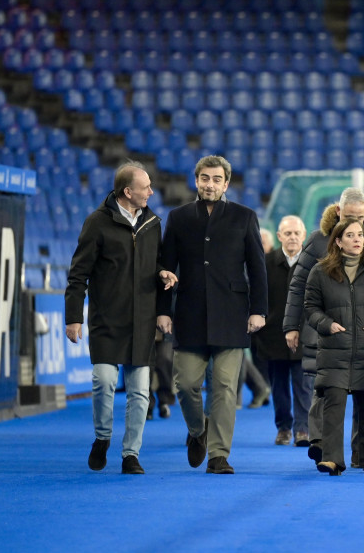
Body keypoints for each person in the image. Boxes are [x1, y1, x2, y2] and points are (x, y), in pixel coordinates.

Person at [157, 155, 268, 475]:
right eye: (205, 178)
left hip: (232, 315)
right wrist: (163, 312)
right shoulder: (178, 218)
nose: (210, 184)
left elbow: (257, 268)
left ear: (226, 184)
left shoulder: (244, 217)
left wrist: (259, 310)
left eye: (216, 179)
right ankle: (197, 431)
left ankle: (219, 454)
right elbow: (166, 269)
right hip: (188, 314)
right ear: (196, 180)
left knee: (224, 387)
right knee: (186, 384)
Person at [65, 161, 177, 474]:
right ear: (128, 192)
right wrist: (73, 317)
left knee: (141, 392)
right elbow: (78, 274)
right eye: (146, 188)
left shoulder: (153, 222)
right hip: (106, 321)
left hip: (142, 322)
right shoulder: (97, 222)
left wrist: (163, 273)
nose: (152, 192)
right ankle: (102, 438)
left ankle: (131, 454)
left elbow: (155, 265)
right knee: (103, 382)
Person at [283, 188, 364, 465]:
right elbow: (299, 286)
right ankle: (321, 441)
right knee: (322, 387)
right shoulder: (316, 241)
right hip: (324, 330)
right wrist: (291, 325)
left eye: (361, 217)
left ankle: (360, 449)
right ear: (338, 212)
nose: (356, 224)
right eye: (350, 217)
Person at [305, 219, 364, 475]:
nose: (357, 239)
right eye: (350, 235)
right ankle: (332, 459)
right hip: (334, 347)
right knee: (333, 404)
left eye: (360, 235)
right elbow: (311, 308)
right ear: (337, 241)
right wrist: (326, 324)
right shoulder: (320, 272)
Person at [253, 215, 312, 446]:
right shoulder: (265, 263)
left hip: (305, 334)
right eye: (288, 233)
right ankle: (283, 428)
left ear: (304, 236)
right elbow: (258, 296)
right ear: (279, 237)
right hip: (273, 335)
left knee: (304, 384)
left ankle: (302, 430)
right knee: (278, 386)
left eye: (297, 233)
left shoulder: (314, 263)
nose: (293, 237)